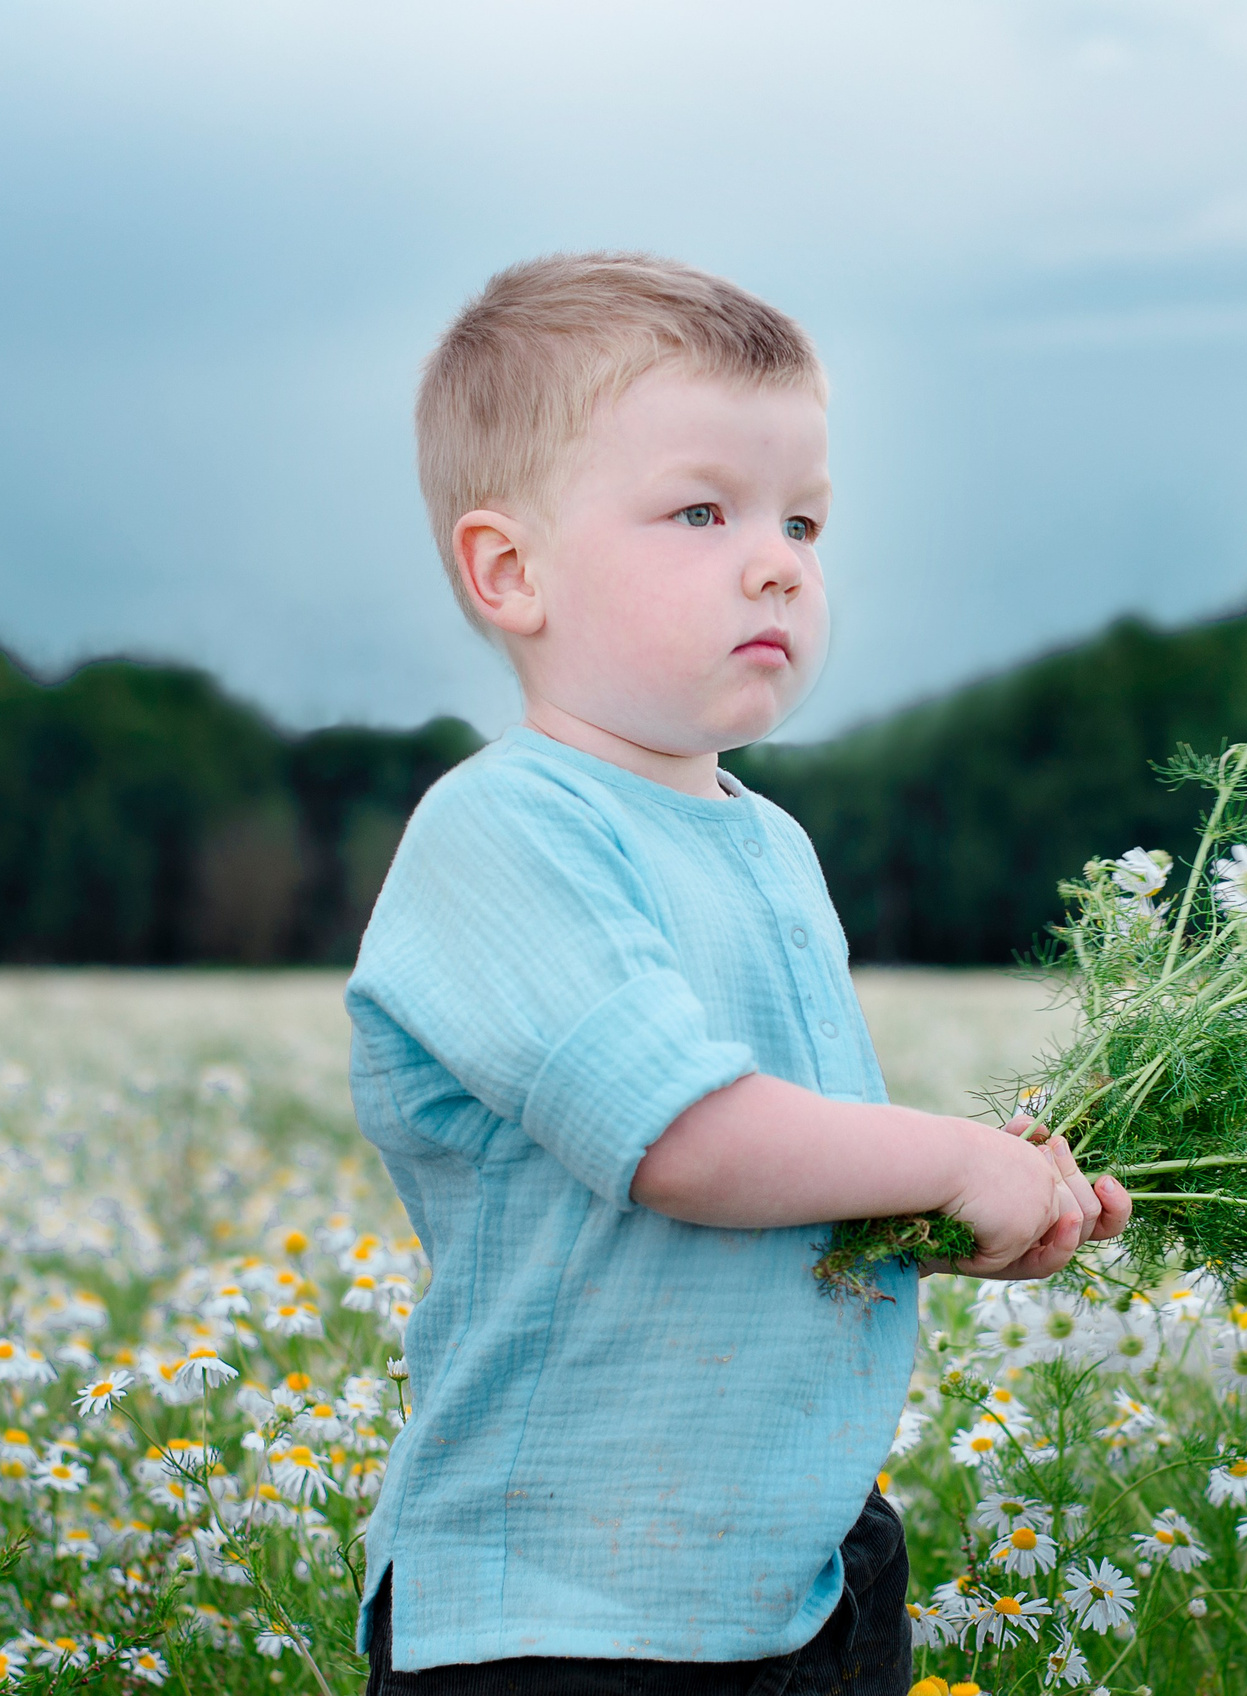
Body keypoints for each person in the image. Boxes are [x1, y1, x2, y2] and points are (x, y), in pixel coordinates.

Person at [344, 252, 1132, 1695]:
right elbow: (691, 1140)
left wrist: (978, 1207)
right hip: (562, 1606)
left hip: (802, 1577)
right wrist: (950, 1159)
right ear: (510, 571)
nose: (776, 559)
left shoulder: (767, 846)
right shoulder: (506, 828)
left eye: (805, 521)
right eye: (702, 512)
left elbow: (801, 1167)